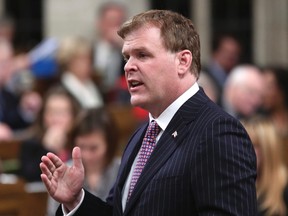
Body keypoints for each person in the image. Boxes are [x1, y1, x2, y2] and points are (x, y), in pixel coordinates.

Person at [40, 10, 257, 215]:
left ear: (183, 61)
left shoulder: (217, 132)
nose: (128, 67)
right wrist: (76, 200)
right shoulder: (141, 136)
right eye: (127, 57)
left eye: (142, 55)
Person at [47, 108, 121, 215]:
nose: (86, 155)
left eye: (93, 148)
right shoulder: (64, 173)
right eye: (81, 146)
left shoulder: (122, 171)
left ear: (109, 145)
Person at [20, 86, 80, 182]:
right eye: (51, 112)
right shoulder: (31, 143)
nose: (56, 119)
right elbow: (30, 179)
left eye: (62, 113)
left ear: (73, 116)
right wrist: (47, 149)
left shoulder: (81, 142)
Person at [242, 116, 288, 216]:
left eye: (251, 145)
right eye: (242, 145)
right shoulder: (241, 185)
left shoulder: (284, 189)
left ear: (268, 150)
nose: (243, 152)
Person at [56, 36, 104, 109]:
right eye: (82, 59)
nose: (88, 62)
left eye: (89, 58)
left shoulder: (95, 84)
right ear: (69, 61)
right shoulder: (60, 90)